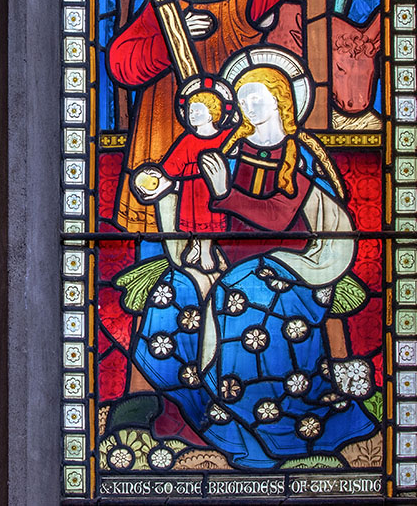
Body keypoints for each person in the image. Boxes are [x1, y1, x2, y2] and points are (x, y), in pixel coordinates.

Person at [132, 50, 377, 468]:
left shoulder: (302, 155)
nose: (246, 105)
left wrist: (225, 193)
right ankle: (195, 416)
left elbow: (279, 216)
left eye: (255, 97)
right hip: (225, 261)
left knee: (240, 297)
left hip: (293, 268)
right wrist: (164, 191)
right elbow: (197, 198)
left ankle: (268, 428)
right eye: (242, 98)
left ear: (282, 100)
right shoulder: (230, 149)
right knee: (175, 292)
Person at [107, 0, 336, 233]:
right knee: (166, 211)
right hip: (166, 121)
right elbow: (122, 63)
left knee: (220, 205)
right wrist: (172, 39)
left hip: (229, 126)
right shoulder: (165, 2)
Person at [132, 79, 234, 271]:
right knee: (192, 221)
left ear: (212, 112)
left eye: (197, 111)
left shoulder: (226, 138)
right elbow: (171, 168)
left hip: (210, 192)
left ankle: (206, 250)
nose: (191, 114)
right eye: (190, 111)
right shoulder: (187, 140)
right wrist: (156, 178)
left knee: (207, 221)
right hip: (191, 193)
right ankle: (195, 246)